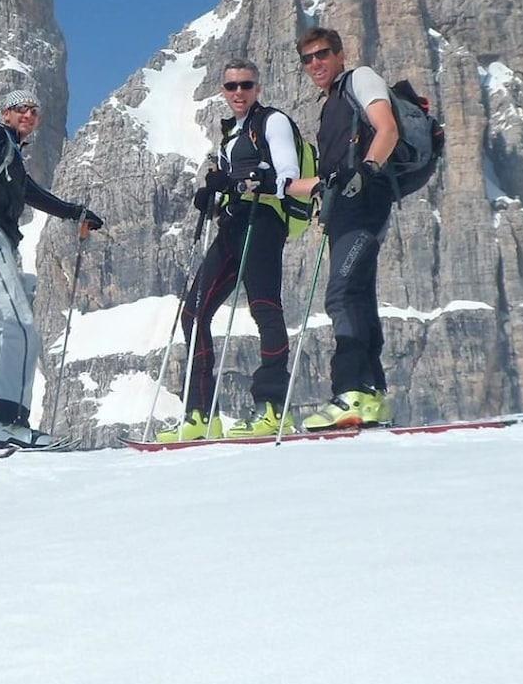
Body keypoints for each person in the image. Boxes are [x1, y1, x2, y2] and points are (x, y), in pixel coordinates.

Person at [0, 89, 102, 449]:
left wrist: (76, 213)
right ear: (5, 113)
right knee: (21, 328)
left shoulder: (8, 153)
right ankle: (9, 423)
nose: (27, 114)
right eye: (19, 108)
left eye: (33, 110)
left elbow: (32, 193)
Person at [162, 59, 316, 441]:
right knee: (194, 313)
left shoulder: (272, 122)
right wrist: (212, 196)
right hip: (232, 225)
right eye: (231, 86)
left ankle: (272, 408)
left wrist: (239, 180)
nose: (239, 93)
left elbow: (287, 177)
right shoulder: (232, 134)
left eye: (246, 85)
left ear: (257, 88)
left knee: (265, 309)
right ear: (222, 90)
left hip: (262, 223)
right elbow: (235, 183)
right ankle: (200, 415)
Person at [285, 27, 400, 429]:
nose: (315, 63)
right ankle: (371, 396)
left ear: (339, 53)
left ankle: (349, 392)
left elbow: (387, 128)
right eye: (307, 58)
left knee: (341, 295)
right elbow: (326, 179)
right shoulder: (330, 103)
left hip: (365, 203)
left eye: (323, 54)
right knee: (359, 297)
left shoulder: (360, 79)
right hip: (345, 210)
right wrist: (276, 186)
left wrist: (366, 171)